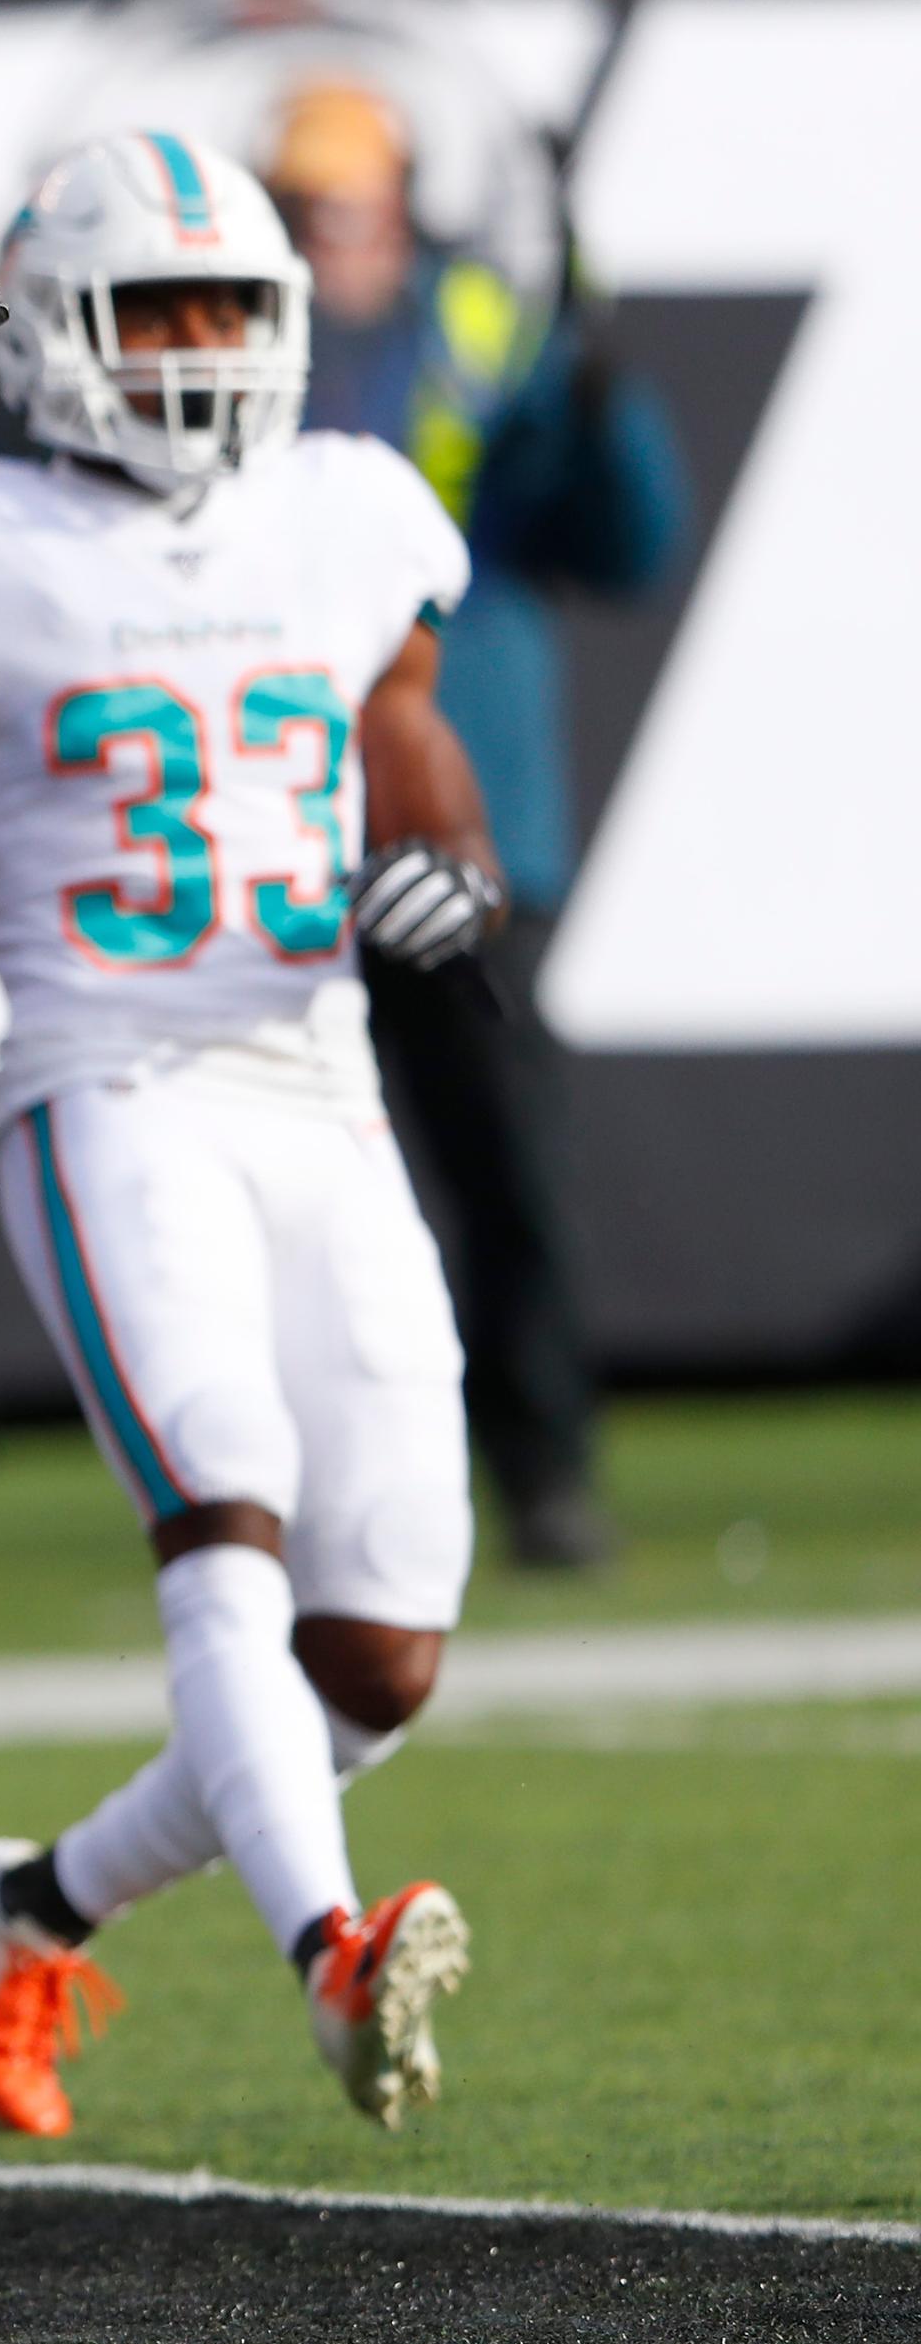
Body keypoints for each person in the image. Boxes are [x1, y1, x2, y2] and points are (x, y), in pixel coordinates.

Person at [0, 132, 496, 2139]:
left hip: (318, 1087)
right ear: (53, 332)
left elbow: (418, 752)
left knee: (383, 1655)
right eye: (150, 308)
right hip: (108, 1089)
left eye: (227, 310)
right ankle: (336, 1956)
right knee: (225, 1514)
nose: (191, 350)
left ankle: (34, 1905)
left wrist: (455, 877)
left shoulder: (345, 511)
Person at [261, 78, 685, 1571]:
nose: (327, 227)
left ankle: (544, 1466)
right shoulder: (246, 341)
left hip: (465, 815)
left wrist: (595, 385)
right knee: (295, 1186)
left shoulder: (491, 332)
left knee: (503, 1163)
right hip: (279, 825)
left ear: (400, 194)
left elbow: (624, 539)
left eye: (347, 196)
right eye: (302, 199)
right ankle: (325, 1496)